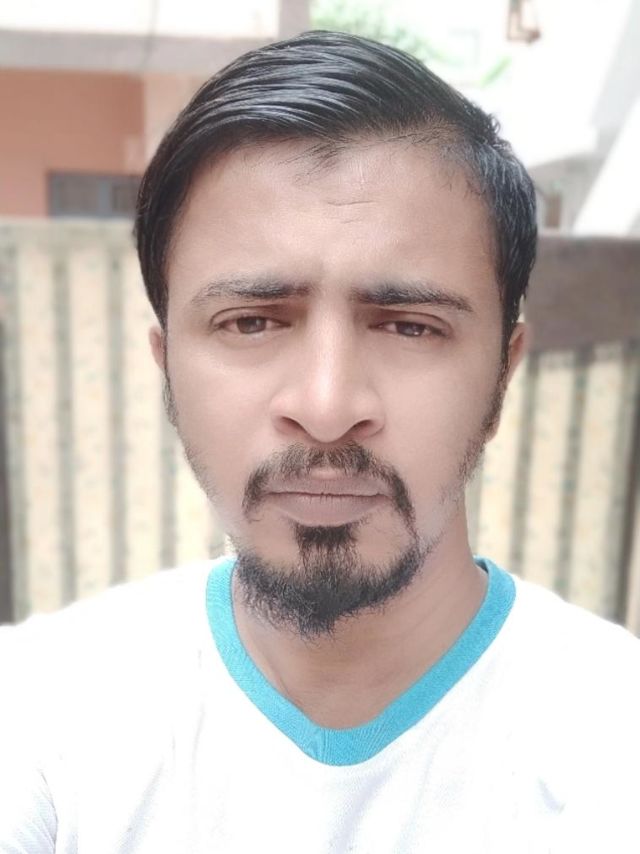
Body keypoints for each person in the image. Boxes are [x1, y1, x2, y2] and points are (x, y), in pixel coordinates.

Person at [1, 30, 639, 854]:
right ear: (167, 369)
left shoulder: (614, 747)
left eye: (410, 325)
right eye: (252, 322)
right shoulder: (41, 712)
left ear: (502, 373)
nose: (328, 407)